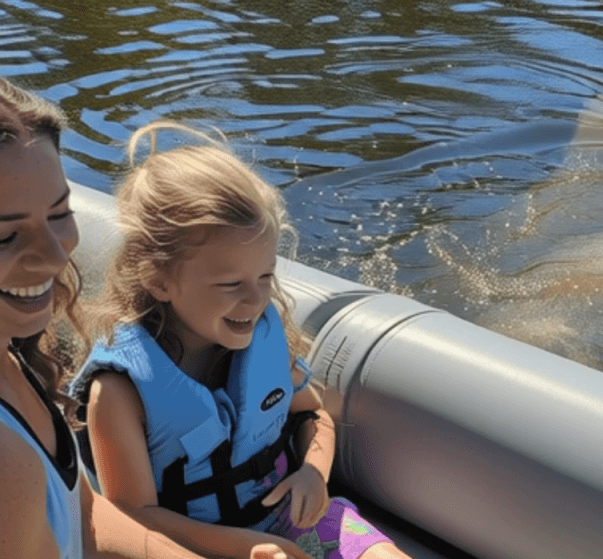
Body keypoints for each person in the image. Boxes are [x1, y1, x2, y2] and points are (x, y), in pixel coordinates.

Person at [69, 120, 409, 559]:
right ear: (158, 279)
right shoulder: (118, 392)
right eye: (231, 284)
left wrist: (312, 473)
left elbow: (312, 415)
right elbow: (134, 515)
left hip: (288, 518)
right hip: (190, 548)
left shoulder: (264, 336)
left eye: (265, 276)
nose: (256, 299)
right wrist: (250, 546)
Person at [0, 77, 306, 559]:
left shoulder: (16, 367)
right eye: (5, 237)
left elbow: (90, 515)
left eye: (59, 214)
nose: (55, 254)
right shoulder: (7, 466)